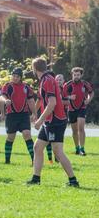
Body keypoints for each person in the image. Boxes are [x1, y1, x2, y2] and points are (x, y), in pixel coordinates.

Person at [27, 58, 79, 187]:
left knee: (57, 151)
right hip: (51, 121)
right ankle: (36, 179)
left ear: (35, 69)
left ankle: (73, 180)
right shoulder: (46, 79)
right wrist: (35, 113)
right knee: (37, 147)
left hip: (55, 121)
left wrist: (40, 120)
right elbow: (41, 100)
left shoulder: (47, 81)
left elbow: (52, 103)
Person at [0, 68, 37, 164]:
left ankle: (34, 159)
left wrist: (34, 113)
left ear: (21, 77)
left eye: (17, 76)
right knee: (11, 137)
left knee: (27, 134)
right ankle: (7, 160)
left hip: (24, 115)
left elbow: (31, 100)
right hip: (11, 115)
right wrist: (5, 100)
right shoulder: (7, 86)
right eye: (14, 76)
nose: (15, 78)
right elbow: (2, 96)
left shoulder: (26, 87)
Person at [63, 67, 94, 156]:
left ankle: (82, 149)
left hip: (82, 107)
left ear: (81, 75)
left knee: (81, 128)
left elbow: (91, 93)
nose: (76, 76)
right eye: (75, 75)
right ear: (72, 75)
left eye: (78, 75)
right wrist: (69, 97)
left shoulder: (85, 84)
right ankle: (77, 148)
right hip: (71, 109)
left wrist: (88, 99)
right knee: (74, 130)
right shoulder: (67, 85)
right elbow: (63, 96)